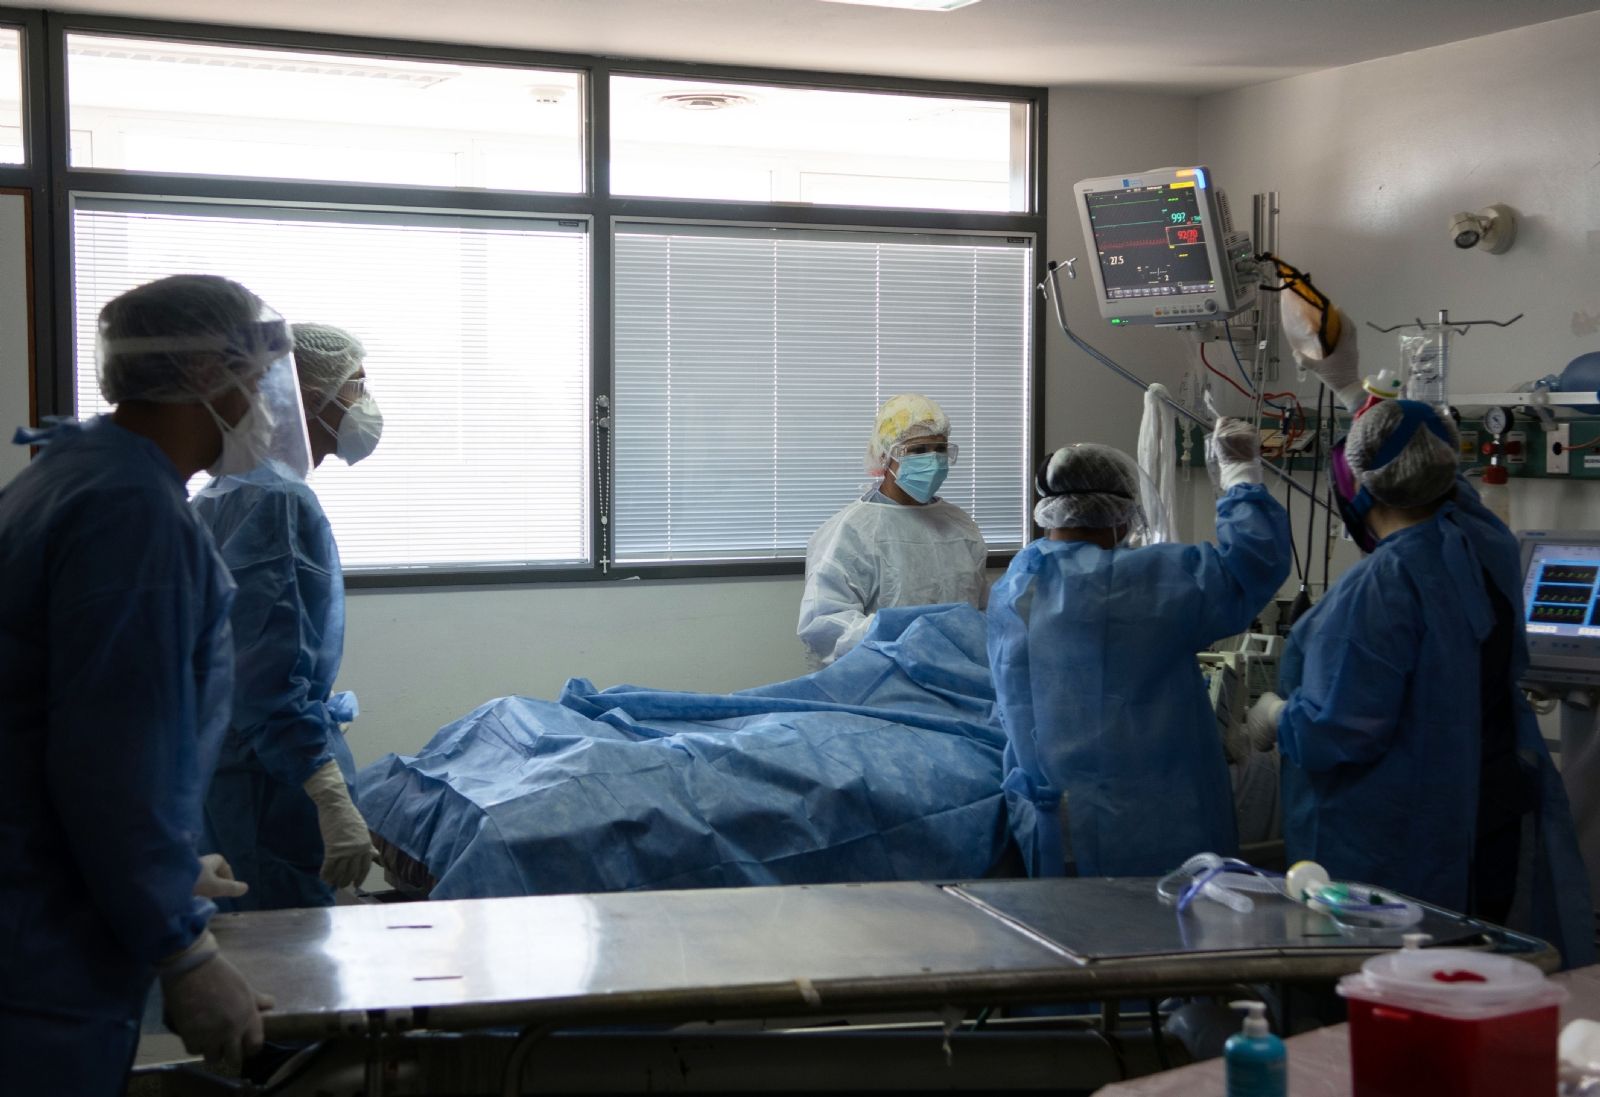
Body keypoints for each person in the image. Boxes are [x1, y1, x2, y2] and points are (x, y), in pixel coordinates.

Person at [0, 274, 292, 1092]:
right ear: (206, 374)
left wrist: (164, 865)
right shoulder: (134, 514)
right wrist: (183, 947)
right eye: (255, 375)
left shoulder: (70, 473)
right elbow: (110, 756)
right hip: (37, 961)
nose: (264, 401)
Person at [1249, 309, 1594, 968]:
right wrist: (1352, 393)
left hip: (1398, 840)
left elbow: (1337, 731)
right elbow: (1434, 475)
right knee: (1474, 970)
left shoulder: (1379, 587)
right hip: (1484, 810)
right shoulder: (1484, 542)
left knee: (1402, 986)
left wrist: (1274, 716)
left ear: (1360, 486)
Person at [987, 421, 1291, 877]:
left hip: (1051, 818)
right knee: (1160, 919)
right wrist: (1240, 473)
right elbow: (1254, 562)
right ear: (1121, 513)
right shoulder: (1145, 581)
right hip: (1148, 825)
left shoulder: (1016, 583)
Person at [193, 322, 382, 910]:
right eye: (357, 385)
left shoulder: (225, 491)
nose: (366, 402)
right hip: (266, 784)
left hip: (233, 769)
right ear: (310, 396)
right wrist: (327, 791)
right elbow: (263, 676)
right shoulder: (275, 499)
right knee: (283, 943)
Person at [798, 393, 988, 666]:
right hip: (878, 677)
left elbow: (980, 611)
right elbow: (825, 624)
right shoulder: (851, 531)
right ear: (885, 456)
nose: (933, 460)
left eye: (940, 449)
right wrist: (903, 641)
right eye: (918, 451)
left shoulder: (960, 526)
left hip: (959, 673)